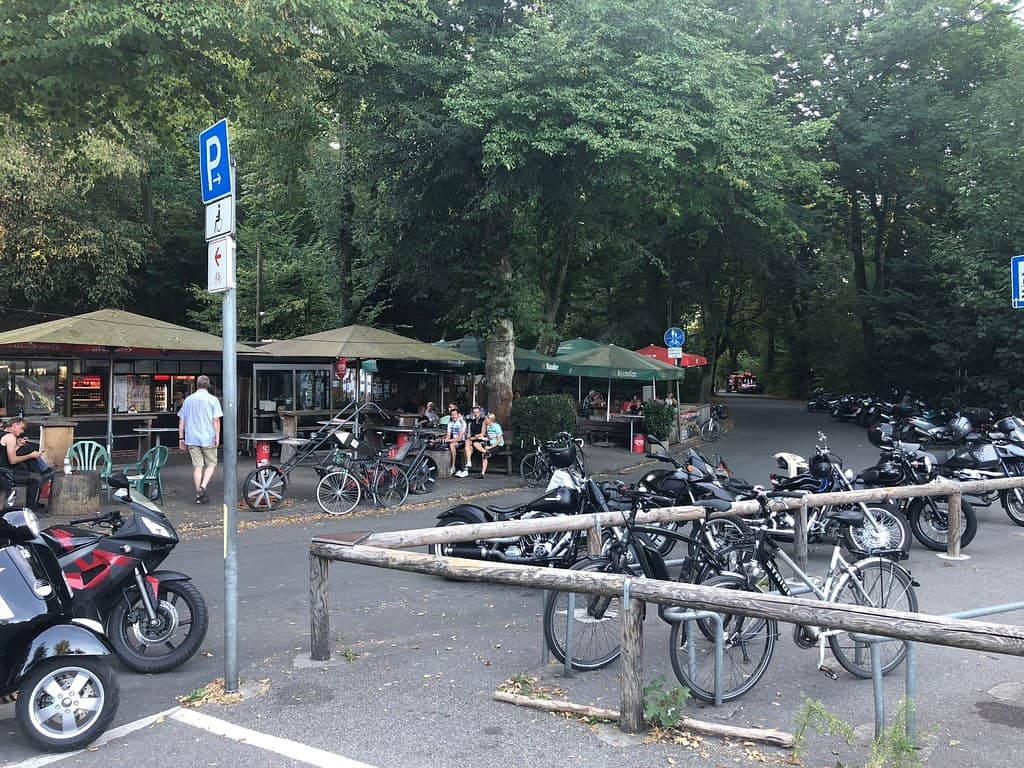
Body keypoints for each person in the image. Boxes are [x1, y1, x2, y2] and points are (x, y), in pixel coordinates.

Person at [177, 375, 223, 505]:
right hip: (208, 437)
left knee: (197, 467)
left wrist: (181, 438)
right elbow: (216, 420)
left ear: (197, 385)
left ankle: (198, 495)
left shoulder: (188, 400)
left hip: (191, 438)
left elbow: (182, 420)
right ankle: (203, 487)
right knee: (212, 464)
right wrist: (217, 436)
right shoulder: (213, 400)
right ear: (208, 385)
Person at [0, 417, 51, 511]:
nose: (22, 431)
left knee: (28, 449)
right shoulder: (10, 437)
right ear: (15, 425)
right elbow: (12, 460)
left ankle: (42, 471)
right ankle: (31, 509)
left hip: (4, 470)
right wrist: (30, 455)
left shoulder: (4, 435)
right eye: (21, 428)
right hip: (5, 472)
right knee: (36, 479)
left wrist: (18, 445)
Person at [471, 412, 504, 478]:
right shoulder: (488, 427)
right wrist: (483, 438)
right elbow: (490, 437)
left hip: (498, 446)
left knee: (484, 455)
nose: (485, 420)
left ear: (490, 419)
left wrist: (490, 447)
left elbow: (499, 440)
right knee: (476, 444)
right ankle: (485, 452)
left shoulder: (496, 426)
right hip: (490, 444)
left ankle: (482, 473)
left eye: (486, 419)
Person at [444, 406, 468, 477]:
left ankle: (453, 466)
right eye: (452, 415)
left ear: (458, 415)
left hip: (462, 441)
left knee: (451, 444)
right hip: (453, 440)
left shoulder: (462, 423)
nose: (453, 416)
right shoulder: (450, 423)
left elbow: (460, 438)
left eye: (455, 414)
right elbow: (448, 435)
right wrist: (446, 440)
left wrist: (448, 440)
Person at [464, 405, 487, 470]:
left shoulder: (483, 421)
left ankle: (467, 466)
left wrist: (472, 438)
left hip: (480, 439)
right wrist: (469, 435)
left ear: (480, 413)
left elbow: (482, 434)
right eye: (474, 412)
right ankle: (468, 462)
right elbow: (470, 433)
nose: (475, 414)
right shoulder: (472, 422)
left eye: (477, 412)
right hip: (473, 439)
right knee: (468, 444)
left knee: (469, 443)